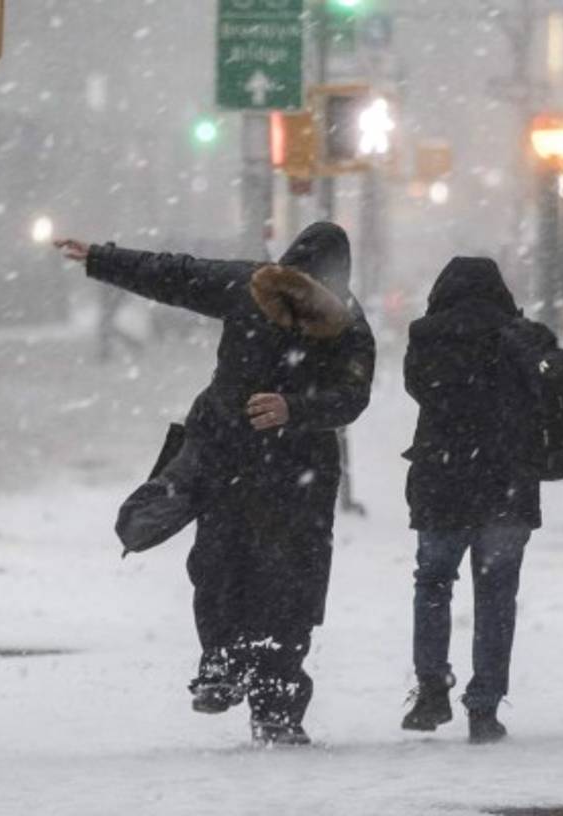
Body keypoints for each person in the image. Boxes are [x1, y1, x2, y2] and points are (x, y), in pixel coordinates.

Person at [56, 223, 375, 746]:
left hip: (285, 470)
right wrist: (102, 258)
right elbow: (174, 274)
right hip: (240, 459)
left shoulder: (342, 324)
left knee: (277, 585)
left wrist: (293, 409)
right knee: (225, 567)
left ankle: (266, 699)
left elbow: (353, 397)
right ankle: (229, 671)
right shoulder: (256, 287)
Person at [399, 257, 541, 744]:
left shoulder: (425, 337)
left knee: (433, 583)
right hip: (506, 485)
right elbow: (542, 398)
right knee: (497, 594)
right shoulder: (521, 338)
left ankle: (431, 689)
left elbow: (419, 388)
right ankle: (484, 708)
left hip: (443, 483)